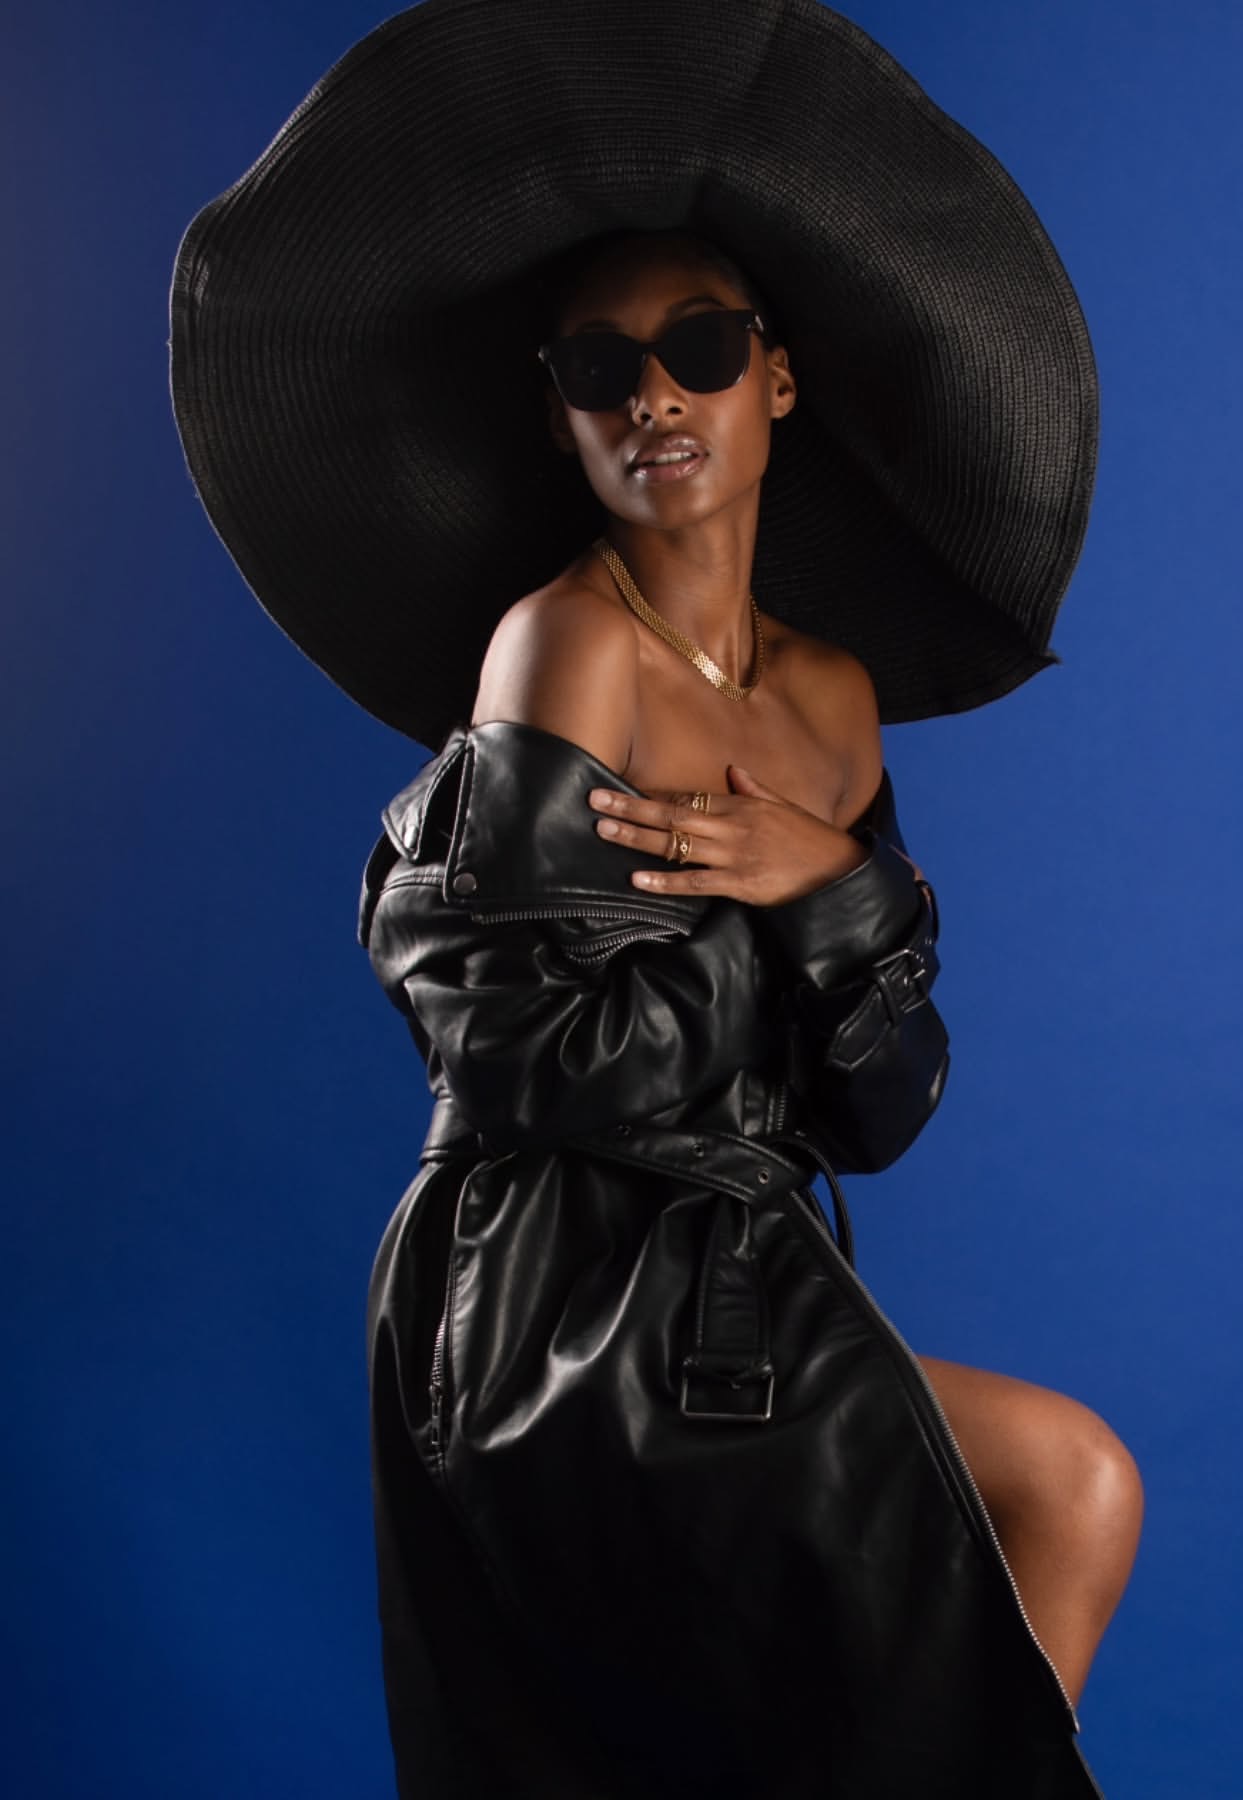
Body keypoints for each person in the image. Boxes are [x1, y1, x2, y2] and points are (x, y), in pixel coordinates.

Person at [168, 4, 1130, 1790]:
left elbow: (880, 1109)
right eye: (601, 369)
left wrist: (829, 881)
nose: (655, 398)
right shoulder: (561, 647)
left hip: (739, 1288)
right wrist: (794, 920)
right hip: (547, 1295)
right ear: (561, 419)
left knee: (1065, 1495)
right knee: (1027, 1513)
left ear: (779, 378)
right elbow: (529, 1059)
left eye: (699, 347)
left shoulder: (830, 698)